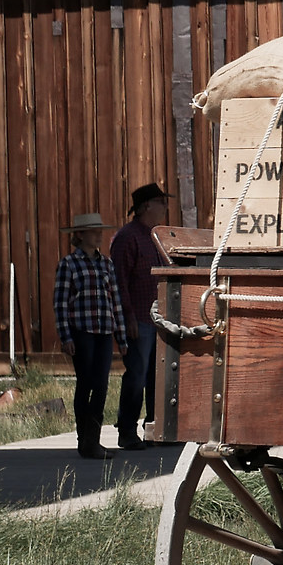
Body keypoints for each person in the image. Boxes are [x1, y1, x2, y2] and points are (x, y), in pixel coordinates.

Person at [52, 211, 127, 460]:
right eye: (93, 232)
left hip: (104, 331)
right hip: (82, 331)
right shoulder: (68, 264)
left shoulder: (106, 264)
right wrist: (66, 337)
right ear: (81, 235)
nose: (98, 236)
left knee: (102, 386)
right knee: (85, 384)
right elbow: (61, 303)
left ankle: (92, 439)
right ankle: (83, 439)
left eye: (100, 231)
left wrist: (121, 337)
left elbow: (115, 301)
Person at [110, 183, 170, 451]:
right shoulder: (127, 237)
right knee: (136, 375)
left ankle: (155, 429)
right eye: (161, 202)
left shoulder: (156, 236)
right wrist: (128, 318)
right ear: (146, 206)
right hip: (139, 320)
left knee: (159, 377)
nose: (165, 207)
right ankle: (126, 431)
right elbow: (119, 281)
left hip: (159, 319)